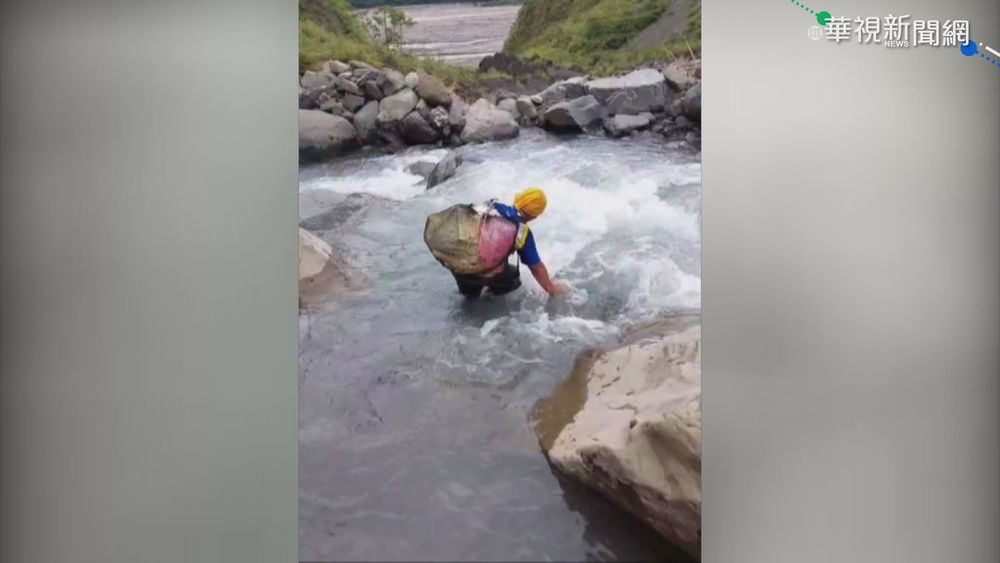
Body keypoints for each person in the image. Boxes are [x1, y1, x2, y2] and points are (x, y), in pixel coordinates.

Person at [453, 187, 567, 299]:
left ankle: (471, 294)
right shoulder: (522, 232)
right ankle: (490, 301)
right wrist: (551, 288)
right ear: (534, 215)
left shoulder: (492, 207)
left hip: (459, 266)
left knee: (470, 296)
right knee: (513, 279)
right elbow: (536, 267)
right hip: (487, 273)